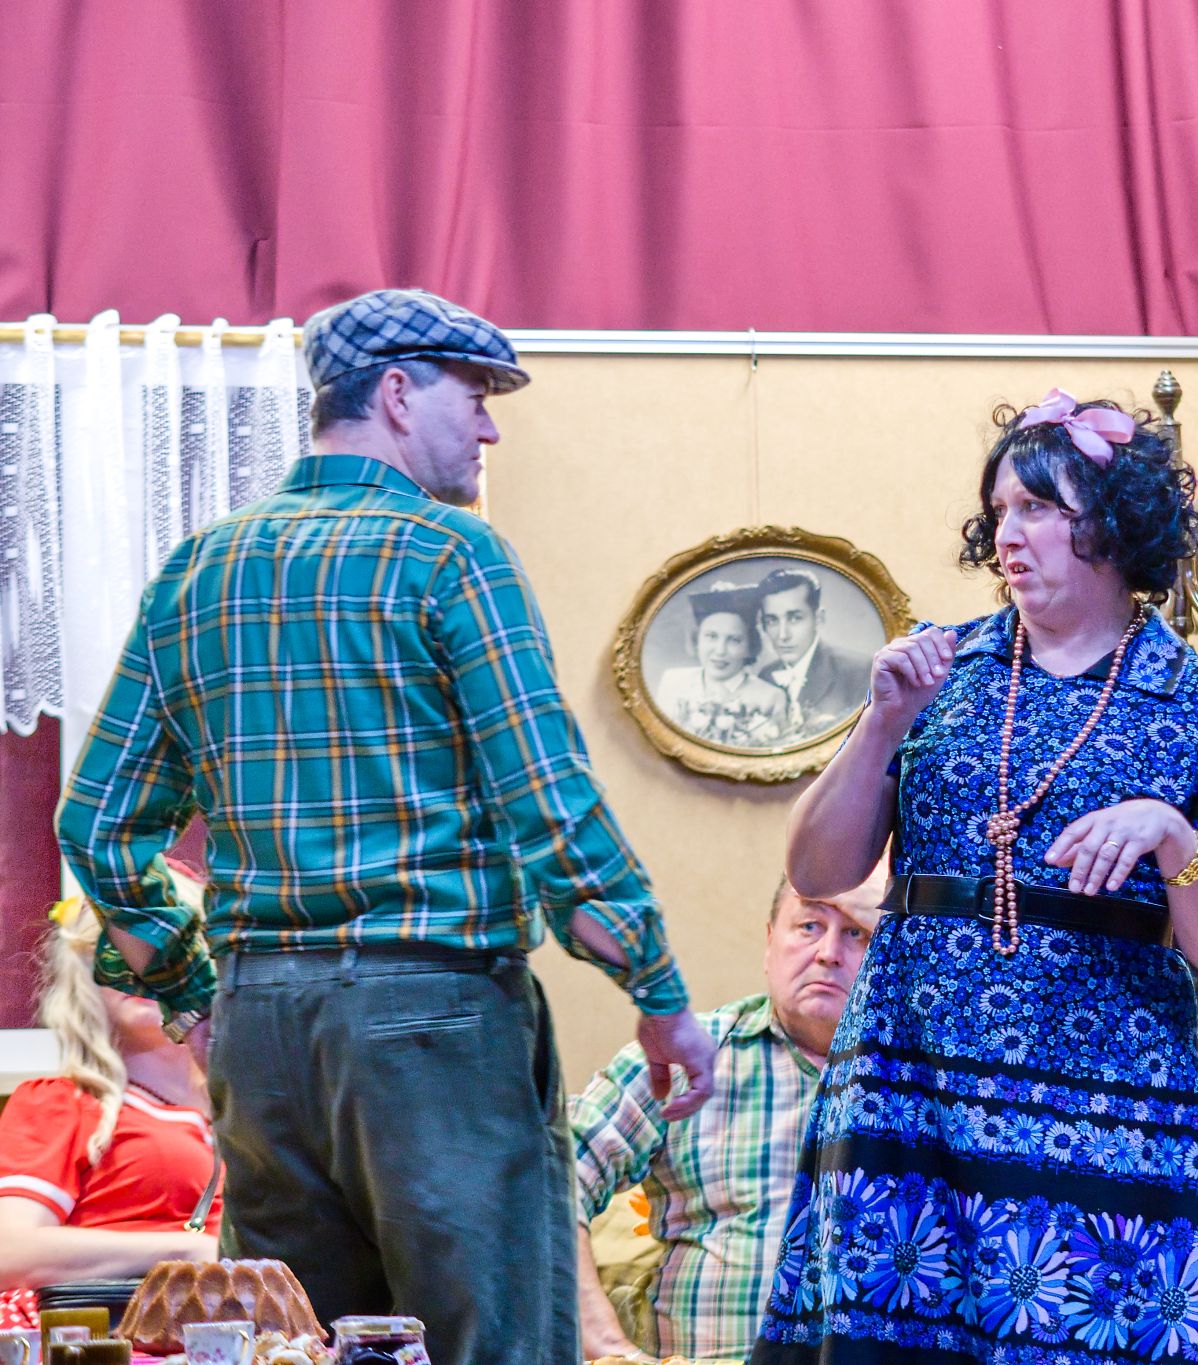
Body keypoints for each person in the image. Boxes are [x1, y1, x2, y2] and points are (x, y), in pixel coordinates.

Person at [54, 288, 716, 1365]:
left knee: (290, 1344)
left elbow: (97, 824)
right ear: (398, 393)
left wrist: (190, 989)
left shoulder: (197, 571)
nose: (491, 429)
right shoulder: (452, 555)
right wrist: (659, 997)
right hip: (433, 1018)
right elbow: (551, 807)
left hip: (262, 1029)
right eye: (477, 396)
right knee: (487, 1343)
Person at [752, 388, 1198, 1365]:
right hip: (908, 1094)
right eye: (998, 510)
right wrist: (881, 723)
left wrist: (1173, 837)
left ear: (1113, 524)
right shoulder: (939, 669)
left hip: (1104, 1113)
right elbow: (817, 866)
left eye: (1036, 507)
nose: (1008, 532)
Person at [573, 865, 887, 1362]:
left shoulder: (937, 1085)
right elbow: (546, 1181)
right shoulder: (686, 1059)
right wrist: (608, 1348)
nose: (828, 952)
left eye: (857, 933)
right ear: (769, 943)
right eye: (809, 926)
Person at [0, 889, 219, 1330]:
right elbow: (9, 1251)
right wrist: (190, 1250)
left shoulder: (255, 1110)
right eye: (116, 951)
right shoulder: (65, 1103)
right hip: (116, 1340)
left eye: (167, 949)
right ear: (85, 977)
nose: (142, 969)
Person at [655, 582, 791, 745]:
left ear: (749, 647)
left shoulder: (770, 697)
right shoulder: (672, 682)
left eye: (734, 640)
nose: (720, 651)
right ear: (697, 640)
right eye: (711, 636)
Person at [753, 567, 869, 739]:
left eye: (795, 618)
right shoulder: (766, 676)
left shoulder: (860, 671)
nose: (782, 635)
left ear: (818, 617)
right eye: (772, 621)